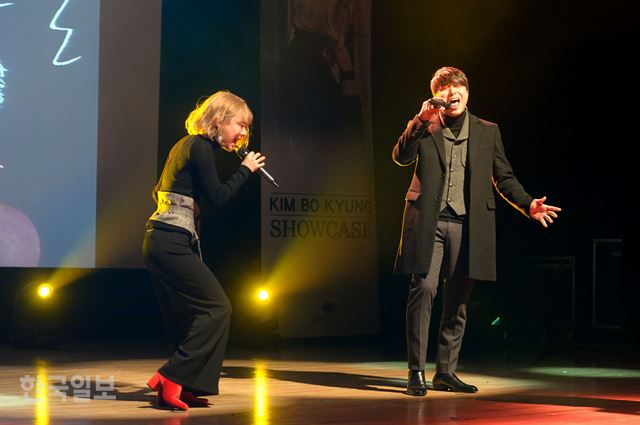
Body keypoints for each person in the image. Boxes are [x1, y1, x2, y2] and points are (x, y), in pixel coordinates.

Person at [392, 66, 561, 397]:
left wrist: (528, 205)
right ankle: (416, 371)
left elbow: (504, 176)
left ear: (467, 93)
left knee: (458, 299)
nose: (451, 92)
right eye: (443, 89)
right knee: (424, 290)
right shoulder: (427, 126)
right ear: (436, 96)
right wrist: (419, 121)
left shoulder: (487, 131)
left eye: (456, 87)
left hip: (468, 223)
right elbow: (401, 156)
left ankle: (446, 371)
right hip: (429, 220)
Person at [142, 91, 265, 410]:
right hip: (169, 241)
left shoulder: (186, 146)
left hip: (163, 239)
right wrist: (246, 170)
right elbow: (218, 198)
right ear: (219, 120)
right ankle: (170, 376)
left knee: (187, 317)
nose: (243, 134)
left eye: (246, 128)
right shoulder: (199, 147)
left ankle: (182, 384)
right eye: (240, 124)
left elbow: (161, 191)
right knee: (217, 308)